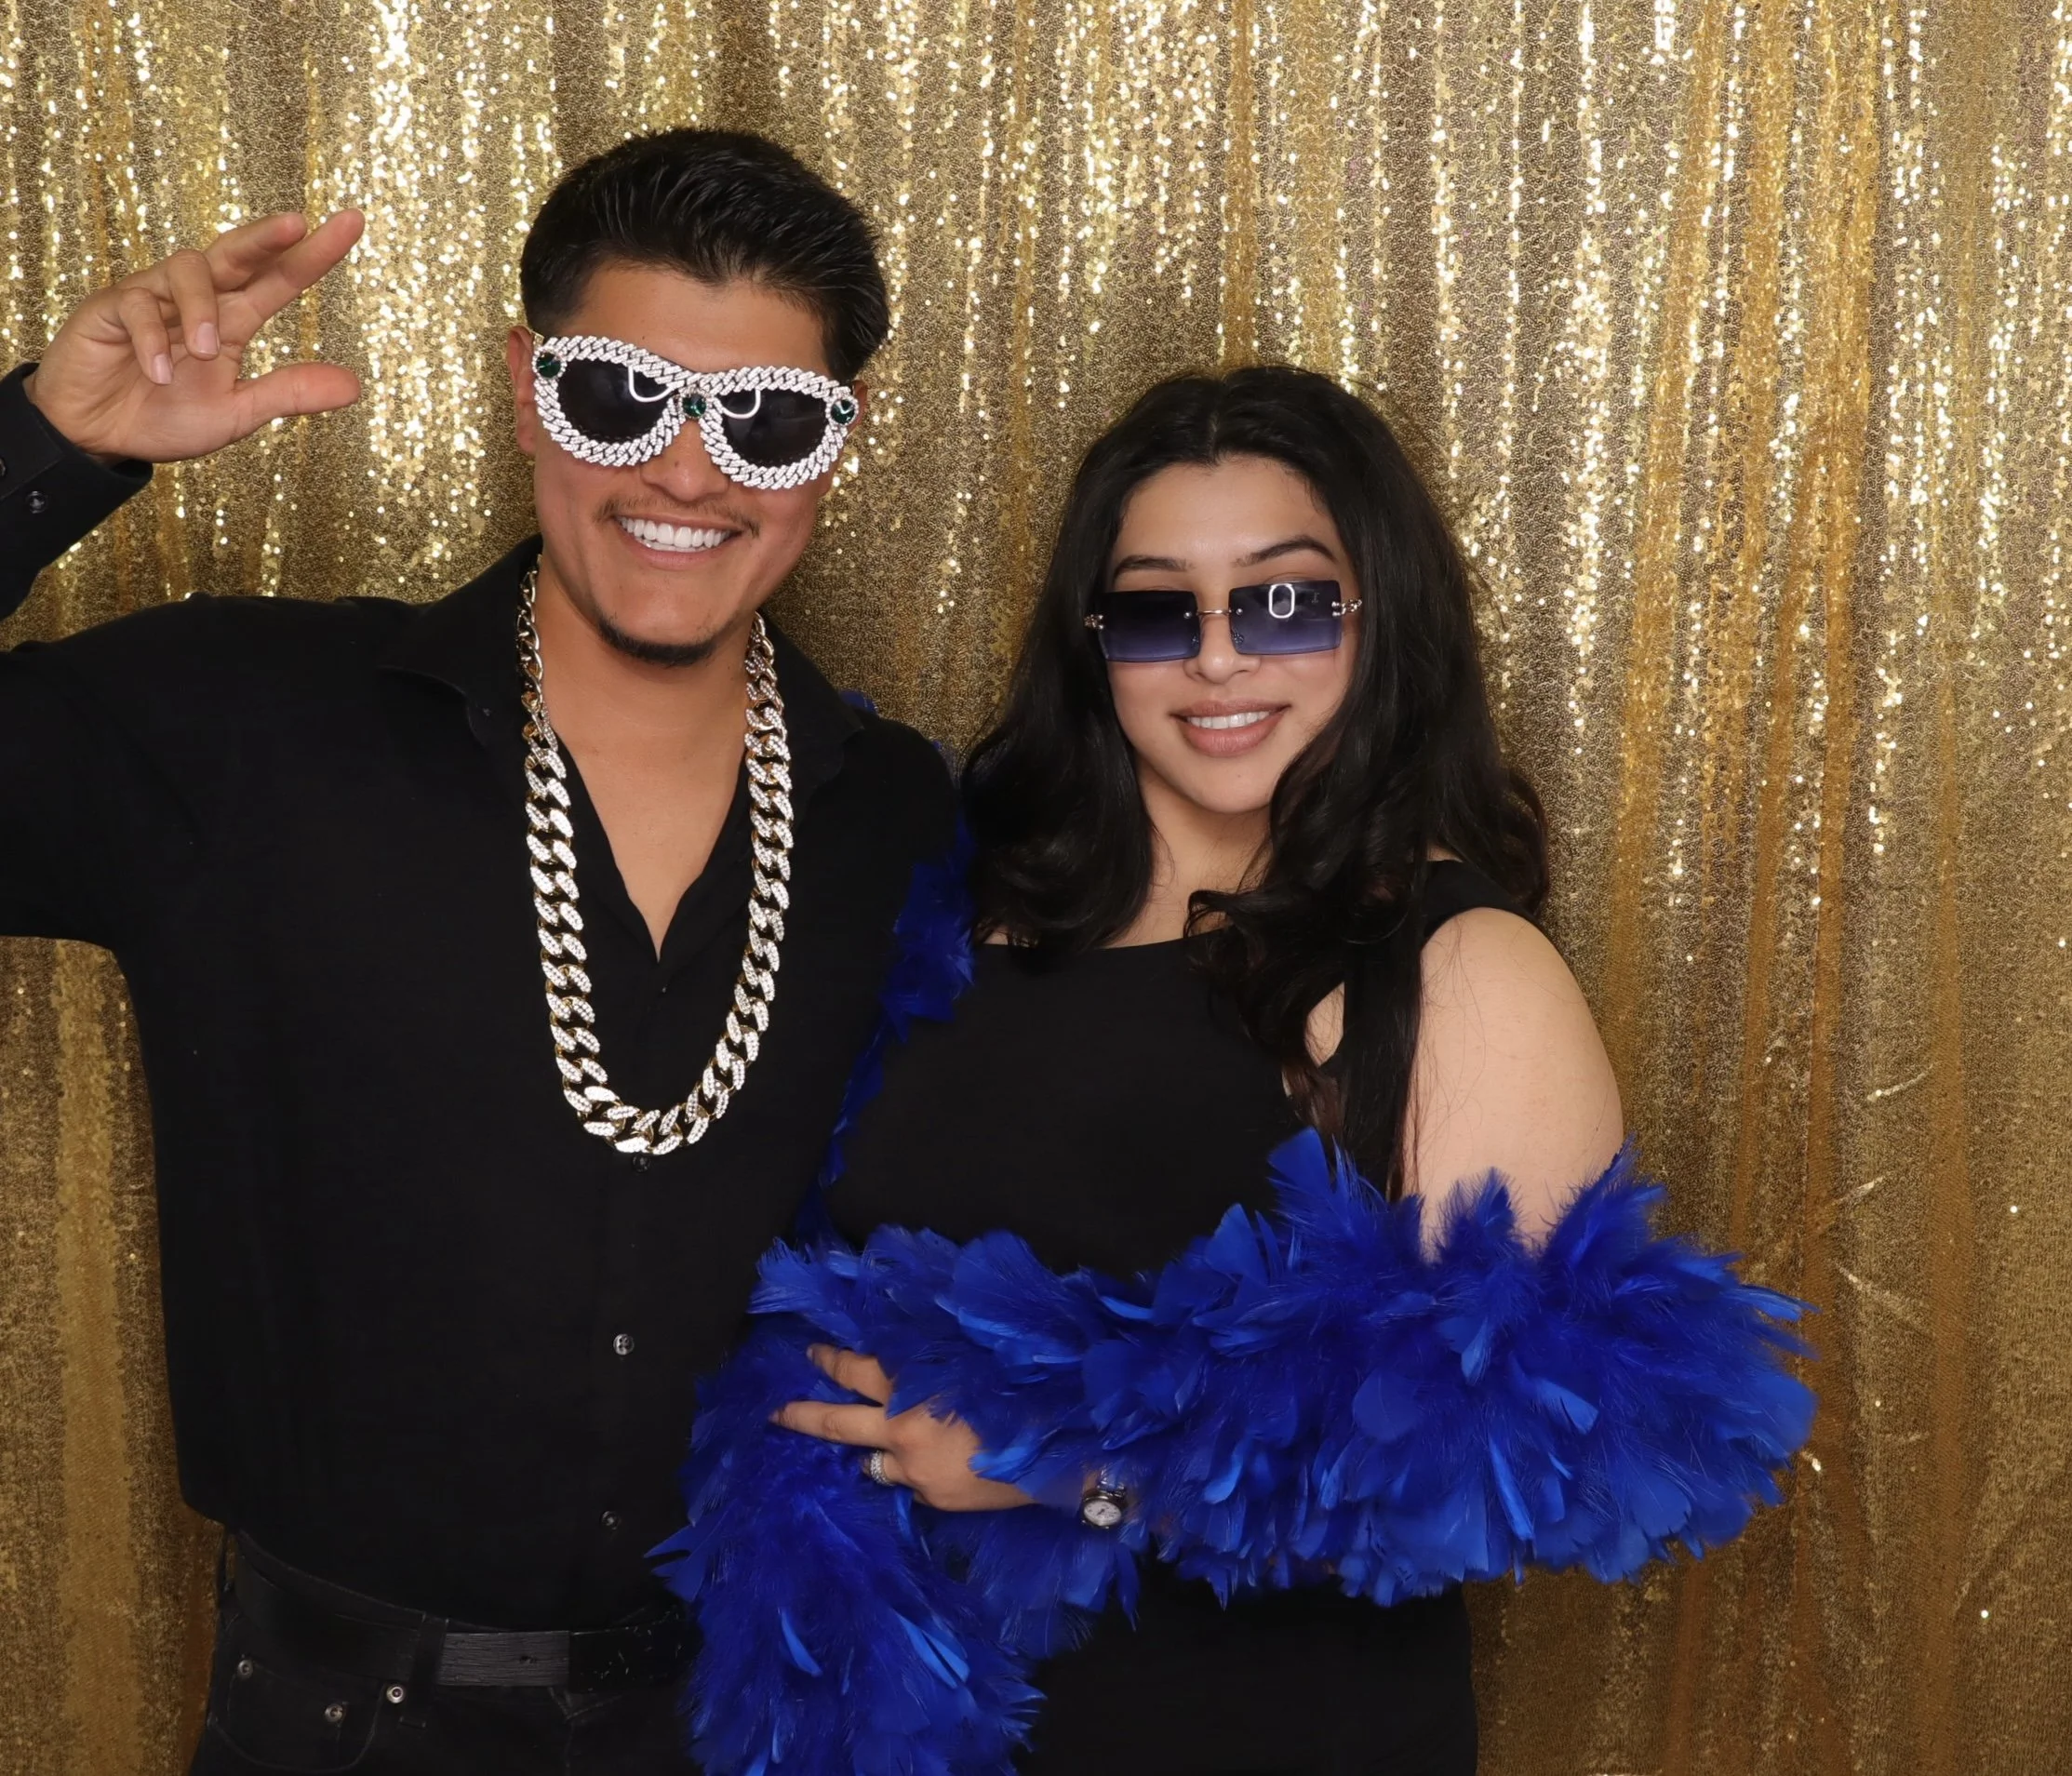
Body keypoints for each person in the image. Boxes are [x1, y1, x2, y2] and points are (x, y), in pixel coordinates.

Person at [664, 367, 1813, 1774]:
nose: (1218, 659)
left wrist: (1072, 1472)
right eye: (1160, 613)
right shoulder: (971, 915)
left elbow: (1501, 1461)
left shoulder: (1457, 972)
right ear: (1097, 647)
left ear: (1378, 619)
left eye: (1284, 603)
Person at [0, 130, 955, 1772]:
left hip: (759, 1717)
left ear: (834, 447)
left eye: (764, 419)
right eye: (619, 397)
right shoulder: (241, 731)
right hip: (337, 1725)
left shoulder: (903, 819)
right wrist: (45, 444)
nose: (685, 472)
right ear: (525, 387)